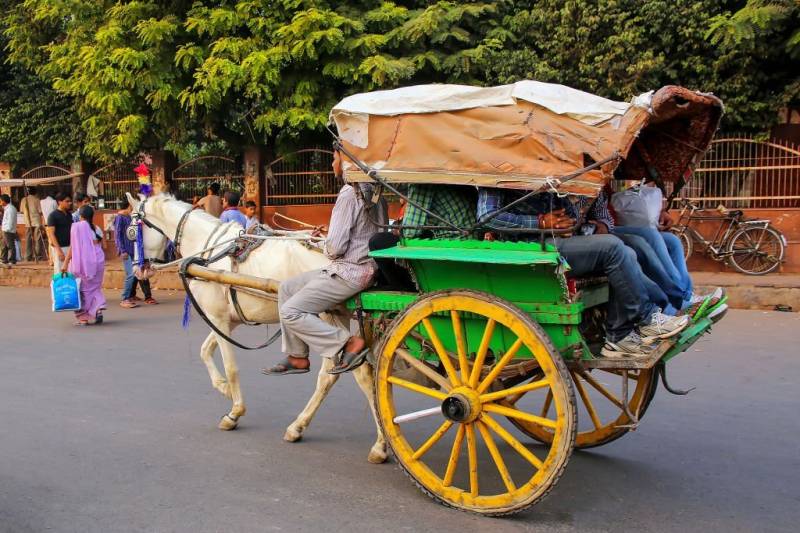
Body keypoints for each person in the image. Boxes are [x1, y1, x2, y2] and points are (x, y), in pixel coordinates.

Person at [477, 188, 688, 359]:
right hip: (527, 247)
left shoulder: (547, 166)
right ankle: (647, 317)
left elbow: (571, 214)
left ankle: (620, 332)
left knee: (626, 250)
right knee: (613, 248)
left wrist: (571, 215)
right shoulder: (498, 166)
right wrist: (540, 221)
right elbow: (486, 216)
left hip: (555, 241)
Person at [263, 148, 386, 376]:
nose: (332, 164)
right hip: (367, 267)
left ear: (347, 161)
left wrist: (322, 243)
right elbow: (363, 234)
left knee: (291, 312)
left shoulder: (350, 193)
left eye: (334, 158)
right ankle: (297, 356)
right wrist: (326, 238)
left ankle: (349, 343)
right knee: (287, 288)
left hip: (350, 272)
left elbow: (336, 248)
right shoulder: (376, 191)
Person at [61, 205, 107, 326]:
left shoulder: (78, 228)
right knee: (95, 288)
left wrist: (65, 263)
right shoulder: (97, 228)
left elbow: (73, 247)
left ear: (80, 216)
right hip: (98, 260)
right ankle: (97, 310)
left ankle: (83, 318)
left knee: (82, 290)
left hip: (84, 261)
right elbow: (104, 245)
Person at [113, 198, 157, 308]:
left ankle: (138, 296)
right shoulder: (120, 218)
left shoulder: (132, 217)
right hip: (127, 251)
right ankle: (125, 298)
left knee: (141, 272)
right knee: (131, 274)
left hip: (137, 250)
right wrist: (122, 251)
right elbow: (117, 236)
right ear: (129, 206)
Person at [46, 192, 73, 274]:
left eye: (70, 201)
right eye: (67, 201)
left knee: (70, 272)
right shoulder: (53, 216)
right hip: (60, 247)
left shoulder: (69, 214)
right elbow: (51, 234)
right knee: (60, 272)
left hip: (70, 247)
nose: (69, 203)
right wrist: (58, 250)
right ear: (59, 202)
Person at [20, 186, 46, 262]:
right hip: (36, 221)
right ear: (35, 192)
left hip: (28, 221)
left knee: (28, 239)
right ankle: (38, 256)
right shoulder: (37, 200)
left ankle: (28, 256)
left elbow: (21, 211)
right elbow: (40, 211)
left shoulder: (23, 200)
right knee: (37, 239)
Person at [0, 194, 18, 266]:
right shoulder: (7, 208)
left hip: (8, 231)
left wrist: (7, 229)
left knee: (10, 246)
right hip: (5, 230)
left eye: (0, 201)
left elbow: (10, 221)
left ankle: (12, 260)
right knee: (3, 246)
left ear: (4, 201)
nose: (0, 202)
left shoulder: (10, 209)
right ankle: (4, 260)